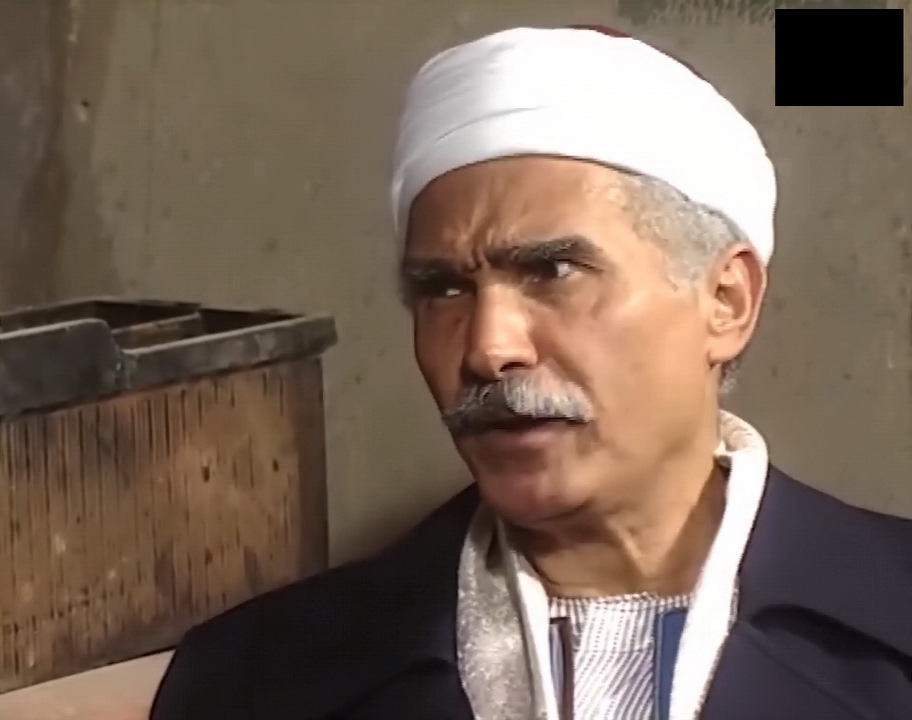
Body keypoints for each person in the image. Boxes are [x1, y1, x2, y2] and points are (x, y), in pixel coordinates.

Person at [150, 26, 912, 720]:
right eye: (443, 290)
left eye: (553, 271)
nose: (487, 349)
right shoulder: (259, 679)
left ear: (725, 300)